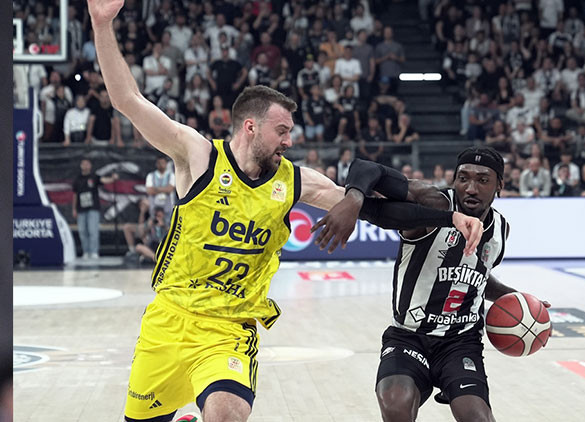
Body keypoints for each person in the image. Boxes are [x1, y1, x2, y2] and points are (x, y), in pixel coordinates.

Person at [88, 2, 482, 421]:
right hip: (169, 320)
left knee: (227, 414)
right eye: (282, 131)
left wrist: (448, 217)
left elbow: (378, 210)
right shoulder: (198, 156)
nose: (289, 141)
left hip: (229, 328)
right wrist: (102, 23)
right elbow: (127, 99)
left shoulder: (294, 180)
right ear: (250, 127)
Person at [311, 146, 550, 422]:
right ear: (454, 180)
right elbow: (364, 168)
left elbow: (477, 276)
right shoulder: (433, 202)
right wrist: (354, 200)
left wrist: (517, 298)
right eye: (463, 178)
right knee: (396, 406)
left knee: (478, 418)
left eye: (483, 180)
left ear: (500, 185)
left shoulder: (499, 229)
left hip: (460, 342)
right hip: (409, 336)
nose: (471, 188)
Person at [72, 158, 117, 259]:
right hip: (81, 209)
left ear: (90, 166)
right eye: (83, 164)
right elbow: (75, 195)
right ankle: (86, 251)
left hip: (93, 208)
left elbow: (103, 180)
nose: (85, 166)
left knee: (93, 230)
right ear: (81, 166)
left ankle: (94, 251)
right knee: (82, 231)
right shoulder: (77, 179)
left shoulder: (94, 177)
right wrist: (74, 209)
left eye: (87, 164)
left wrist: (112, 179)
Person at [145, 156, 176, 222]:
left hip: (168, 208)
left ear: (166, 164)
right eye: (159, 163)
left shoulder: (171, 175)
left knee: (168, 225)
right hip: (154, 207)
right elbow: (149, 191)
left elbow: (170, 189)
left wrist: (155, 189)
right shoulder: (150, 175)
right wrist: (165, 189)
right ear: (156, 164)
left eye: (163, 163)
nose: (161, 165)